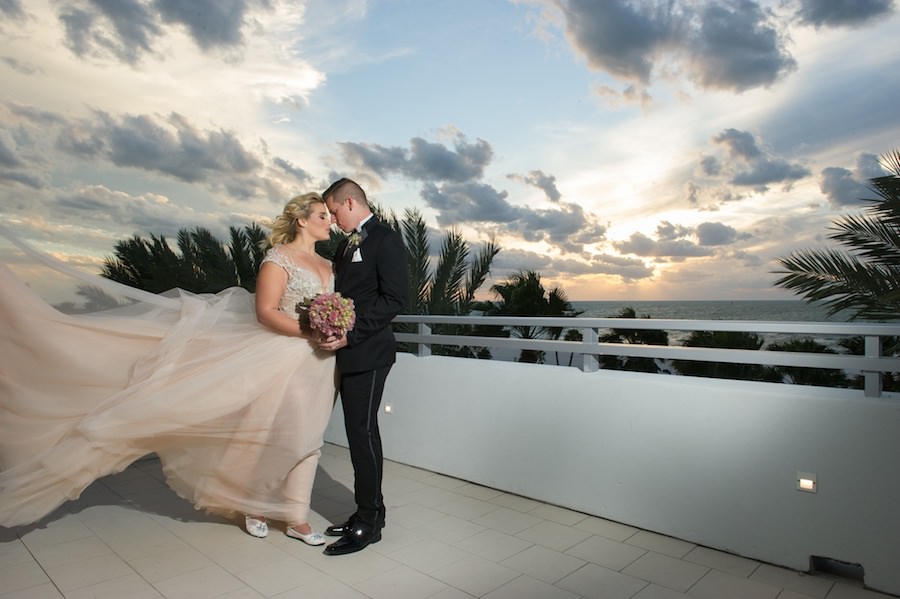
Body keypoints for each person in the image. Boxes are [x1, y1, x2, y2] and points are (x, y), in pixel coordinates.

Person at [0, 194, 336, 546]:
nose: (329, 221)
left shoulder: (329, 266)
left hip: (318, 362)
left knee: (309, 438)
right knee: (266, 434)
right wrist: (312, 331)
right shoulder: (279, 258)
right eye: (322, 215)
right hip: (275, 356)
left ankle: (298, 516)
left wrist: (336, 335)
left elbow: (335, 310)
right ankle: (253, 505)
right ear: (301, 220)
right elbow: (266, 312)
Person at [318, 178, 407, 556]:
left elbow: (394, 299)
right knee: (358, 434)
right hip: (349, 351)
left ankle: (370, 524)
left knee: (362, 434)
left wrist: (351, 335)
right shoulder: (346, 243)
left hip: (369, 353)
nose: (333, 218)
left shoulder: (385, 239)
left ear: (349, 202)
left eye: (334, 211)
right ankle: (368, 512)